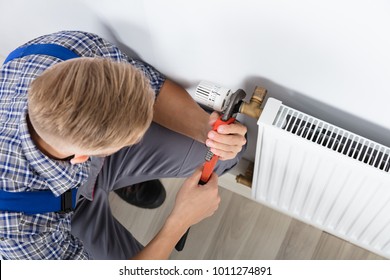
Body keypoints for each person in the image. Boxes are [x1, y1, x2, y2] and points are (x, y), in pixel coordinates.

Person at [0, 31, 247, 259]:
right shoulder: (19, 233)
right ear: (83, 156)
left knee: (225, 155)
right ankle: (119, 180)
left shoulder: (71, 48)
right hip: (60, 213)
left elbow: (155, 91)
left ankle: (122, 179)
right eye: (132, 140)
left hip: (74, 166)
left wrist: (207, 131)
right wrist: (179, 221)